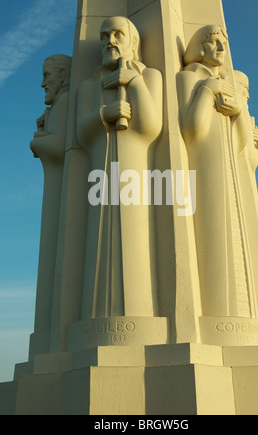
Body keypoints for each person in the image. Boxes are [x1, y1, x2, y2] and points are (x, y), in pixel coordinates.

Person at [77, 17, 163, 319]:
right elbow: (80, 133)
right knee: (98, 240)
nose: (109, 41)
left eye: (117, 34)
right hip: (100, 169)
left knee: (135, 235)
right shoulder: (90, 85)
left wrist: (133, 82)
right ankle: (100, 315)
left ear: (133, 42)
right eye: (103, 35)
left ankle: (139, 310)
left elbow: (152, 125)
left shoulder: (149, 76)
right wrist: (104, 113)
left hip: (136, 166)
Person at [177, 25, 255, 318]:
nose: (221, 48)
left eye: (224, 42)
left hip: (230, 169)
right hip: (203, 166)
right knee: (210, 229)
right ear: (199, 46)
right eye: (213, 41)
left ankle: (237, 313)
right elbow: (192, 129)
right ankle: (215, 311)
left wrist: (239, 113)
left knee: (235, 232)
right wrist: (207, 92)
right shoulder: (188, 78)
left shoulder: (230, 84)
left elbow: (242, 143)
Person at [29, 54, 72, 355]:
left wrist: (37, 139)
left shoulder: (67, 101)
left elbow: (57, 146)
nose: (43, 83)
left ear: (63, 76)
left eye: (48, 75)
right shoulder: (59, 105)